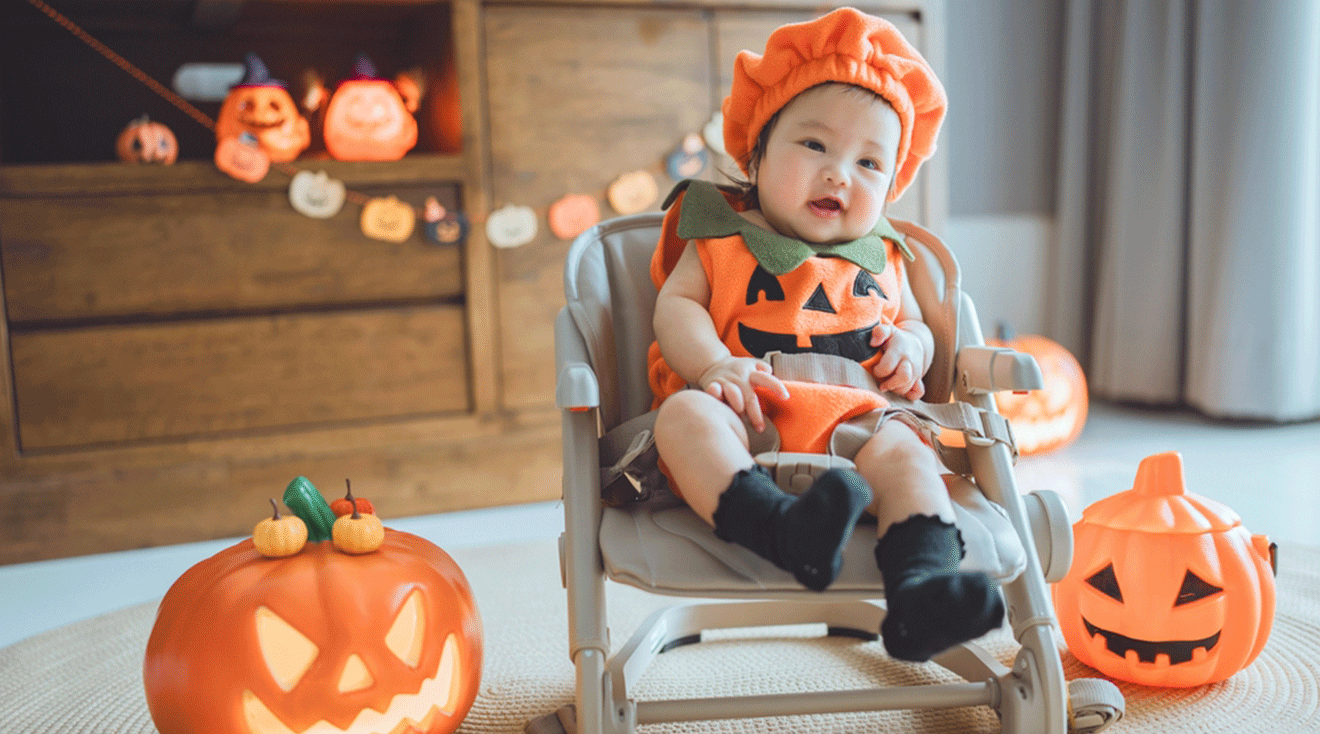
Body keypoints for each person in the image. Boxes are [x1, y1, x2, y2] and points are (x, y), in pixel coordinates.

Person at [649, 8, 1004, 663]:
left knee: (910, 455)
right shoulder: (721, 236)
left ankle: (922, 592)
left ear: (892, 182)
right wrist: (711, 369)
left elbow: (914, 323)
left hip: (858, 432)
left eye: (870, 162)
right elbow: (677, 311)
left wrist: (912, 347)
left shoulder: (885, 255)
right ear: (755, 152)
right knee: (682, 418)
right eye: (814, 145)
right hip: (747, 415)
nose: (840, 172)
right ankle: (782, 531)